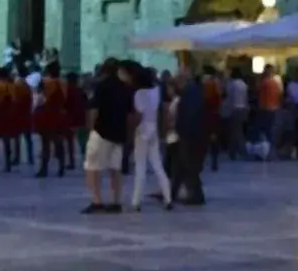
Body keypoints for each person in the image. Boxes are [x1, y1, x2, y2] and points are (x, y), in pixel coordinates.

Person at [82, 59, 130, 212]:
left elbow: (94, 109)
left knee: (93, 166)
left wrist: (91, 128)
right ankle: (116, 201)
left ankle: (97, 200)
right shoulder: (125, 88)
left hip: (102, 131)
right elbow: (130, 113)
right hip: (119, 133)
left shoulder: (101, 86)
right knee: (115, 168)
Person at [128, 65, 172, 211]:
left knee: (140, 166)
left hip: (142, 130)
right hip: (153, 128)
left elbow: (138, 115)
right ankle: (168, 197)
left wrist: (131, 128)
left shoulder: (138, 94)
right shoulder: (156, 91)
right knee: (157, 164)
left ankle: (136, 201)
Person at [172, 72, 208, 205]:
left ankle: (196, 195)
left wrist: (182, 131)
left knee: (189, 165)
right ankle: (173, 192)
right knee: (183, 165)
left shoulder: (189, 94)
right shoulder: (194, 92)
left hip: (190, 136)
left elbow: (189, 116)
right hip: (194, 134)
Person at [223, 67, 249, 159]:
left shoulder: (231, 84)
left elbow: (229, 98)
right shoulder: (243, 84)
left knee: (235, 132)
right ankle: (235, 151)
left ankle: (239, 151)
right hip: (243, 108)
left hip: (234, 109)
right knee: (238, 130)